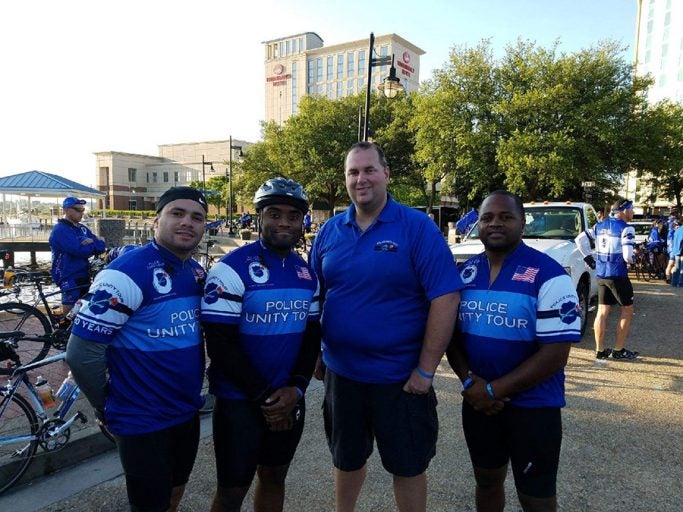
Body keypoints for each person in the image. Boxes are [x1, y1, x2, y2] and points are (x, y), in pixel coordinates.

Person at [309, 142, 463, 512]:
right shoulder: (329, 231)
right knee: (346, 459)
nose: (360, 179)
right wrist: (315, 356)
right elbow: (314, 297)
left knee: (407, 465)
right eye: (353, 172)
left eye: (368, 170)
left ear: (386, 174)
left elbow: (445, 297)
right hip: (342, 375)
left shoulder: (417, 227)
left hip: (401, 377)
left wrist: (425, 370)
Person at [66, 186, 209, 512]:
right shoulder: (124, 273)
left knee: (175, 492)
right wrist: (108, 407)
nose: (187, 222)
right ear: (155, 222)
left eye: (197, 217)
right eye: (177, 213)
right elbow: (81, 353)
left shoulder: (194, 272)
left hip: (185, 412)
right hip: (141, 419)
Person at [446, 190, 581, 512]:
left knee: (536, 496)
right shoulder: (464, 273)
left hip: (534, 408)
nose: (496, 223)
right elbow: (450, 338)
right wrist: (470, 383)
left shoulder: (550, 275)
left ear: (522, 223)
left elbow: (555, 354)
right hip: (478, 403)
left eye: (506, 217)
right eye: (487, 217)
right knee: (487, 481)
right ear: (477, 224)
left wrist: (492, 390)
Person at [201, 177, 321, 512]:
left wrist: (296, 389)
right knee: (231, 491)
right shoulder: (230, 269)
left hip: (287, 396)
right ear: (259, 218)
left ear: (303, 222)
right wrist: (268, 399)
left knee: (275, 478)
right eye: (274, 214)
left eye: (293, 216)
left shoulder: (306, 274)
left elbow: (311, 337)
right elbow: (221, 345)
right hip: (241, 401)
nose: (284, 222)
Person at [575, 198, 638, 360]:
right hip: (618, 275)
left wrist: (588, 258)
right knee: (627, 310)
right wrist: (634, 259)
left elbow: (579, 239)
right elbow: (628, 256)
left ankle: (600, 350)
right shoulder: (627, 228)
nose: (633, 212)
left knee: (602, 311)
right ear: (624, 211)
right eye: (631, 209)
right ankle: (618, 349)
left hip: (602, 274)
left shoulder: (599, 225)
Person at [49, 196, 106, 315]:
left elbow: (101, 246)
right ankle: (63, 331)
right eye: (77, 209)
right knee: (69, 316)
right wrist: (92, 243)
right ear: (66, 210)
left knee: (84, 310)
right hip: (67, 275)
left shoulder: (82, 229)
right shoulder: (60, 230)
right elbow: (79, 251)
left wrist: (90, 243)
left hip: (84, 273)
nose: (81, 213)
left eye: (83, 209)